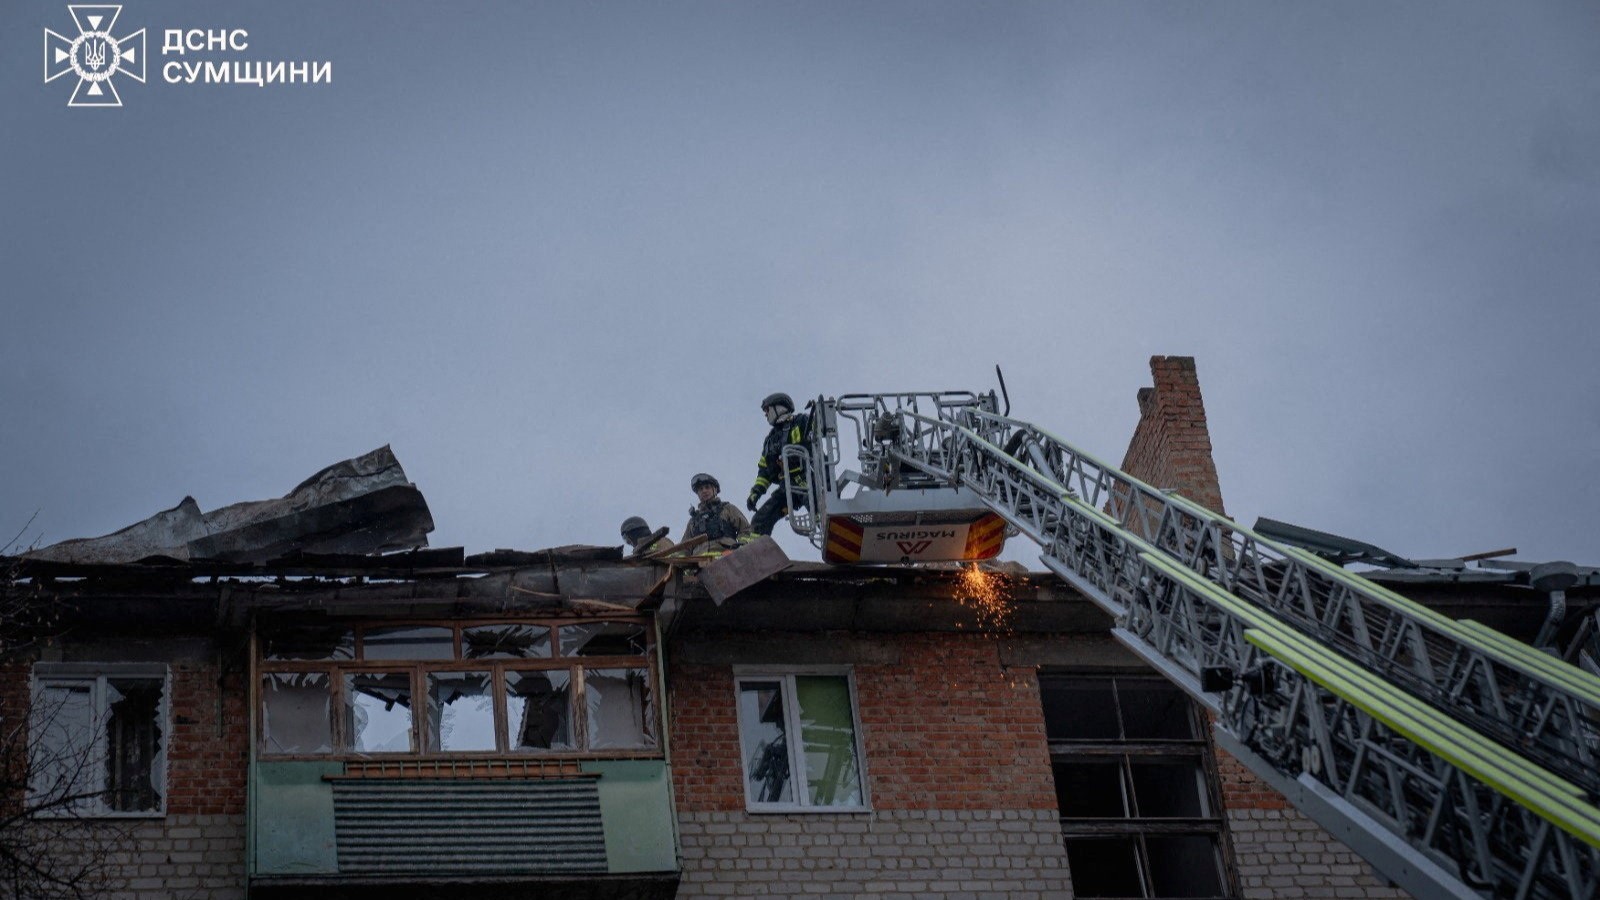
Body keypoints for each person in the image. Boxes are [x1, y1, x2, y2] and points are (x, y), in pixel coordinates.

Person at [746, 392, 811, 536]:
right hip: (787, 487)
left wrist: (819, 413)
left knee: (816, 506)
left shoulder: (801, 421)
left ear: (779, 407)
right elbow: (764, 471)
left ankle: (823, 520)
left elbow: (819, 430)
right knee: (761, 519)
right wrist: (756, 492)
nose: (765, 415)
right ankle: (756, 548)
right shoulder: (770, 440)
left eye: (767, 410)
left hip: (808, 479)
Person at [682, 473, 751, 548]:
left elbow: (746, 529)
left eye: (707, 487)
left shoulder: (728, 509)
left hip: (727, 557)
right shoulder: (693, 521)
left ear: (714, 490)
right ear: (698, 494)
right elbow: (684, 548)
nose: (704, 491)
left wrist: (741, 545)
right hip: (700, 559)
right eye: (700, 489)